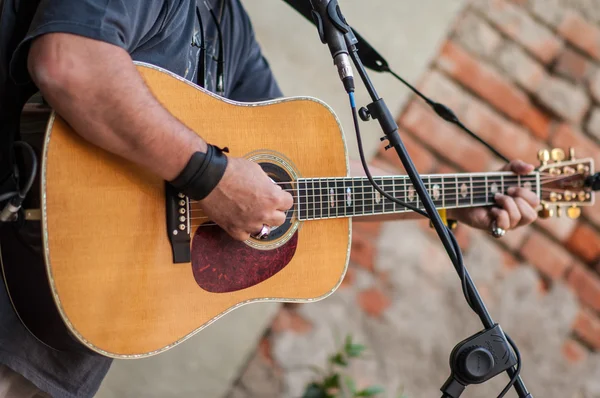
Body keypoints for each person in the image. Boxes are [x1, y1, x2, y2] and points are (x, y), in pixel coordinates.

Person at [0, 0, 540, 396]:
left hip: (72, 335)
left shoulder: (228, 25)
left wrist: (448, 200)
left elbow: (311, 174)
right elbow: (71, 63)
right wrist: (211, 178)